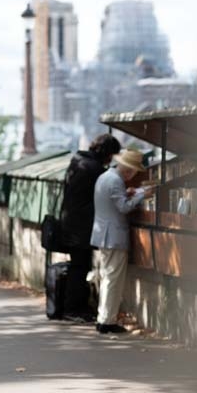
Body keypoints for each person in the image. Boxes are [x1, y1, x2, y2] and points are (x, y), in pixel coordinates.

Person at [58, 133, 122, 321]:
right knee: (80, 268)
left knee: (77, 267)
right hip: (81, 228)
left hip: (70, 223)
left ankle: (74, 307)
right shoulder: (94, 169)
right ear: (108, 153)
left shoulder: (78, 160)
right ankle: (74, 309)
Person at [89, 148, 150, 334]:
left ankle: (103, 318)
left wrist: (128, 193)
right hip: (114, 236)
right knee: (112, 280)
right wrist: (142, 195)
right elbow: (123, 207)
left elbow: (114, 201)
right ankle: (107, 321)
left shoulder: (105, 176)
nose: (132, 175)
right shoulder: (116, 181)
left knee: (108, 277)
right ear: (129, 169)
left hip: (104, 234)